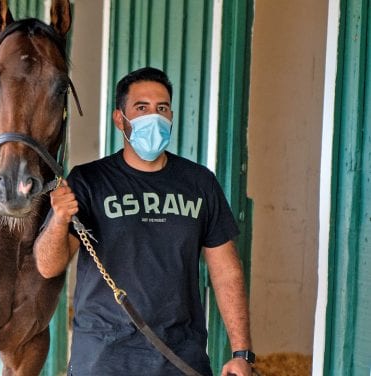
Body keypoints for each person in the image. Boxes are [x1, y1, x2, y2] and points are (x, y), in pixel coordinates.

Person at [33, 67, 253, 376]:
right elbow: (47, 265)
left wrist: (242, 352)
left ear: (172, 116)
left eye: (162, 108)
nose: (154, 116)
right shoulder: (89, 181)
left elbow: (226, 271)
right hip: (103, 358)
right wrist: (58, 220)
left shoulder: (199, 182)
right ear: (119, 119)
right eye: (142, 108)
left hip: (179, 358)